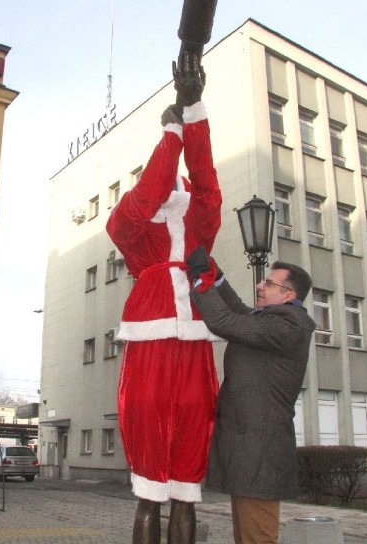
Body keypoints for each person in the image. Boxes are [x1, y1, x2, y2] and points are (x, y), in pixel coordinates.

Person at [106, 51, 221, 544]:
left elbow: (209, 185)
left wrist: (192, 110)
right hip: (151, 333)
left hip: (193, 336)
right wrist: (170, 136)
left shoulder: (197, 220)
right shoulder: (131, 226)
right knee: (151, 485)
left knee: (187, 481)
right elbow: (145, 198)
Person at [187, 247, 316, 544]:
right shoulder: (273, 321)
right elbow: (240, 311)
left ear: (288, 295)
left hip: (259, 452)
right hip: (250, 449)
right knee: (246, 536)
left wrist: (199, 281)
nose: (260, 285)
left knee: (258, 538)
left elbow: (225, 322)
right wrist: (217, 278)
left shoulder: (288, 325)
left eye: (269, 284)